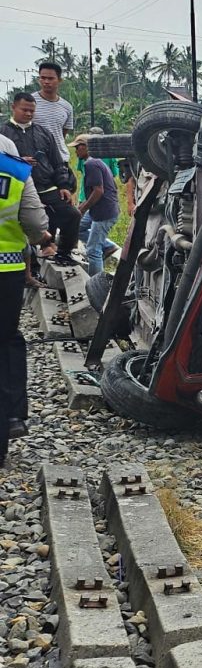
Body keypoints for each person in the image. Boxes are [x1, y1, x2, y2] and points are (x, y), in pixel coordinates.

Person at [1, 132, 55, 466]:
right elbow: (35, 223)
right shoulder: (16, 171)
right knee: (7, 341)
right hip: (6, 273)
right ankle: (12, 417)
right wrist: (43, 238)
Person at [1, 92, 79, 266]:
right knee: (24, 224)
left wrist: (64, 186)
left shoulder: (43, 133)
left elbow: (58, 161)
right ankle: (33, 267)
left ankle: (63, 254)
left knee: (72, 215)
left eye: (31, 111)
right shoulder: (3, 134)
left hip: (46, 186)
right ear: (13, 108)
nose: (28, 114)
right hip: (18, 190)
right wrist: (19, 162)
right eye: (24, 110)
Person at [69, 135, 120, 276]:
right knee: (77, 228)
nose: (76, 152)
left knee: (93, 249)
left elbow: (98, 191)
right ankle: (108, 246)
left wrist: (82, 208)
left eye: (77, 148)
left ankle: (95, 284)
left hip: (104, 213)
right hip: (100, 210)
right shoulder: (95, 163)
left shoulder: (91, 164)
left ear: (86, 147)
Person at [31, 62, 73, 165]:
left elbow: (62, 135)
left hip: (60, 160)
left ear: (59, 80)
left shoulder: (67, 107)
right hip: (36, 160)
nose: (46, 82)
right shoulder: (30, 103)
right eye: (43, 78)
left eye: (50, 78)